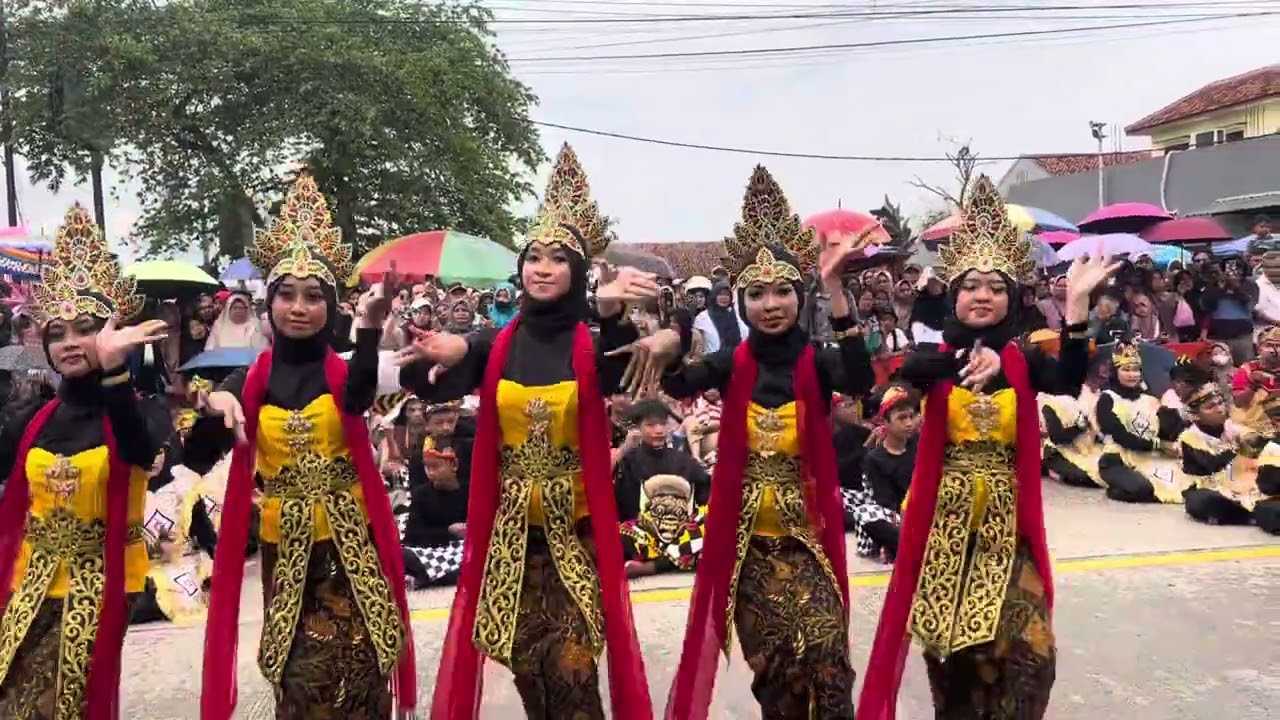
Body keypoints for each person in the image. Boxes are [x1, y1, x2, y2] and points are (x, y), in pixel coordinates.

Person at [398, 146, 654, 720]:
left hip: (576, 535)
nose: (541, 268)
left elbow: (623, 370)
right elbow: (426, 382)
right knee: (531, 673)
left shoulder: (591, 341)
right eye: (533, 257)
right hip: (512, 539)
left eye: (557, 259)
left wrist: (615, 315)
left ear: (577, 273)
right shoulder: (496, 344)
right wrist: (441, 352)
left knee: (573, 672)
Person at [856, 175, 1116, 720]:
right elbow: (905, 373)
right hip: (947, 531)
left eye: (996, 287)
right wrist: (967, 357)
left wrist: (1077, 305)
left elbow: (1069, 377)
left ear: (1011, 299)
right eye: (971, 285)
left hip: (1008, 527)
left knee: (1030, 660)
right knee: (954, 664)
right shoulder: (935, 362)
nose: (982, 295)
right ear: (954, 295)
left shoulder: (1023, 360)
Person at [624, 165, 875, 720]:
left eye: (783, 290)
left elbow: (860, 379)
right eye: (756, 294)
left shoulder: (817, 361)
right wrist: (669, 336)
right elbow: (676, 383)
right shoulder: (729, 363)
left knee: (827, 659)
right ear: (740, 302)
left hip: (807, 540)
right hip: (748, 548)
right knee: (777, 673)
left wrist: (835, 289)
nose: (771, 304)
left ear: (800, 296)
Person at [198, 174, 417, 719]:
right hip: (288, 549)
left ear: (331, 305)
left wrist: (369, 327)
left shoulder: (342, 371)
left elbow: (360, 394)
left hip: (352, 543)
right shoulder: (252, 379)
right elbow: (213, 421)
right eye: (287, 295)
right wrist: (216, 403)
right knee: (299, 682)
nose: (299, 307)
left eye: (314, 296)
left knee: (365, 672)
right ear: (269, 302)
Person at [0, 204, 169, 719]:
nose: (70, 343)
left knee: (57, 705)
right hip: (32, 576)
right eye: (58, 333)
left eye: (85, 329)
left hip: (101, 580)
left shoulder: (140, 409)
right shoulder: (33, 419)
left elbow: (138, 449)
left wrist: (117, 372)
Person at [1096, 342, 1188, 504]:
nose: (1132, 375)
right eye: (1126, 370)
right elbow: (1120, 436)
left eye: (1136, 370)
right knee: (1142, 488)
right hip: (1118, 459)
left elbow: (1170, 427)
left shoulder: (1150, 399)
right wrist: (1159, 445)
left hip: (1150, 457)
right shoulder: (1107, 398)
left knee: (1186, 485)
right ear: (1115, 372)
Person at [1177, 381, 1270, 527]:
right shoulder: (1189, 437)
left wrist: (1260, 439)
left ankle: (1253, 513)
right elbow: (1212, 465)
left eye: (1220, 403)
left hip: (1243, 484)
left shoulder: (1231, 427)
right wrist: (1241, 449)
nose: (1219, 409)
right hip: (1211, 487)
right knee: (1199, 501)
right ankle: (1250, 516)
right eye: (1210, 407)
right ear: (1195, 416)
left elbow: (1255, 440)